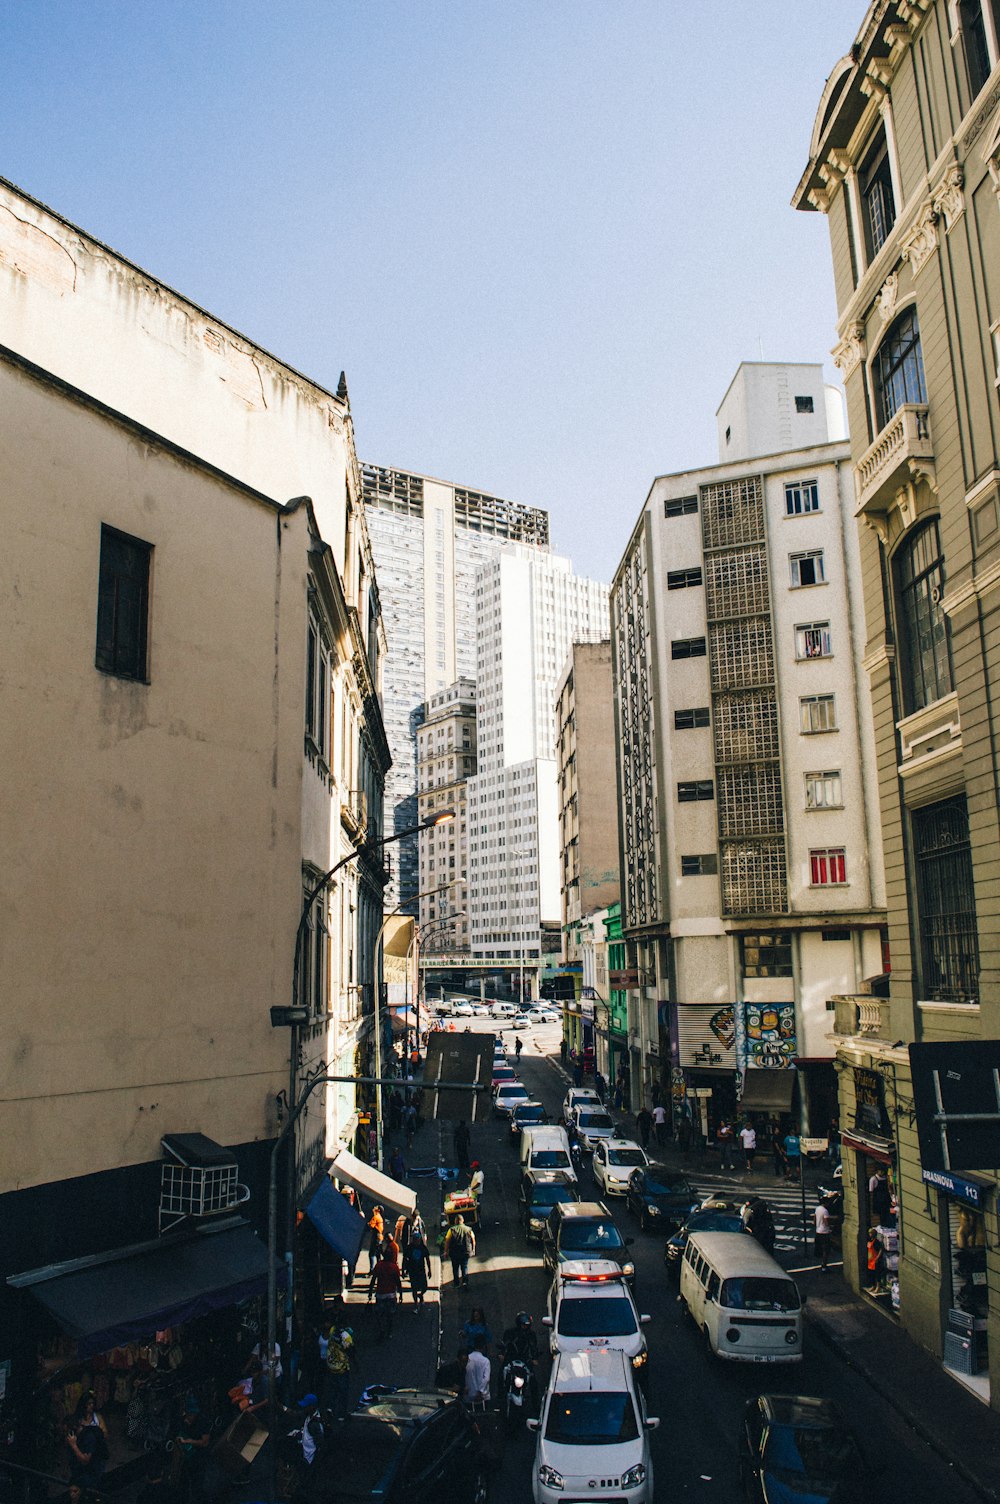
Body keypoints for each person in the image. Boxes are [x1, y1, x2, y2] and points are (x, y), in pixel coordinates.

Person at [67, 1395, 109, 1489]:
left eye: (92, 1403)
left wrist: (74, 1445)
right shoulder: (77, 1419)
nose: (91, 1406)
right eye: (89, 1404)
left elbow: (85, 1460)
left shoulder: (90, 1437)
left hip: (94, 1460)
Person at [322, 1325, 356, 1421]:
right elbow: (350, 1351)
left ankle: (330, 1408)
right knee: (343, 1391)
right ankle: (341, 1414)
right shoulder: (346, 1336)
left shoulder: (332, 1330)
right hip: (341, 1368)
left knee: (333, 1389)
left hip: (331, 1365)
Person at [368, 1249, 403, 1338]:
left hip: (380, 1294)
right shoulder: (394, 1267)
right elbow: (398, 1282)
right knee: (390, 1315)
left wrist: (370, 1292)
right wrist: (401, 1294)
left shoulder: (379, 1265)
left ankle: (382, 1329)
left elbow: (373, 1280)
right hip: (391, 1294)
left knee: (379, 1314)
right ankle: (389, 1332)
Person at [288, 1395, 323, 1466]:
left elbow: (320, 1445)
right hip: (305, 1451)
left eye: (306, 1406)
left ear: (311, 1407)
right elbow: (294, 1413)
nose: (304, 1407)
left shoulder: (314, 1425)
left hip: (308, 1458)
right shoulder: (309, 1414)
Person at [444, 1214, 476, 1287]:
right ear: (463, 1220)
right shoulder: (468, 1229)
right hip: (465, 1252)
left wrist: (446, 1251)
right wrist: (473, 1249)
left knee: (455, 1268)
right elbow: (473, 1240)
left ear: (455, 1221)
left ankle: (456, 1283)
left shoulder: (451, 1230)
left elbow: (447, 1241)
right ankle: (465, 1282)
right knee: (464, 1267)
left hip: (454, 1252)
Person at [463, 1339, 491, 1409]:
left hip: (468, 1395)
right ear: (484, 1347)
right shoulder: (485, 1361)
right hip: (483, 1397)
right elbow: (486, 1378)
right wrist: (480, 1391)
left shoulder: (467, 1359)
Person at [405, 1230, 430, 1307]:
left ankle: (421, 1295)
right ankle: (416, 1302)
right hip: (412, 1271)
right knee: (414, 1288)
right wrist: (404, 1270)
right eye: (415, 1239)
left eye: (417, 1239)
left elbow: (427, 1259)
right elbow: (405, 1258)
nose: (416, 1241)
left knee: (424, 1287)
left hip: (421, 1270)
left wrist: (430, 1270)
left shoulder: (423, 1247)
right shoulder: (409, 1248)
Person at [814, 1199, 832, 1271]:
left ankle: (822, 1264)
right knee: (826, 1250)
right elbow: (826, 1221)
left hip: (818, 1231)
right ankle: (824, 1266)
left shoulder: (817, 1209)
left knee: (820, 1249)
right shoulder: (825, 1211)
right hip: (824, 1232)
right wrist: (830, 1228)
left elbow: (814, 1219)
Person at [367, 1205, 384, 1272]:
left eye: (376, 1207)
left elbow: (371, 1226)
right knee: (378, 1254)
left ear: (378, 1210)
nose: (374, 1207)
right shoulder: (380, 1217)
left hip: (376, 1237)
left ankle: (372, 1270)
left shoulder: (376, 1217)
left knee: (371, 1254)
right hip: (380, 1237)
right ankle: (379, 1270)